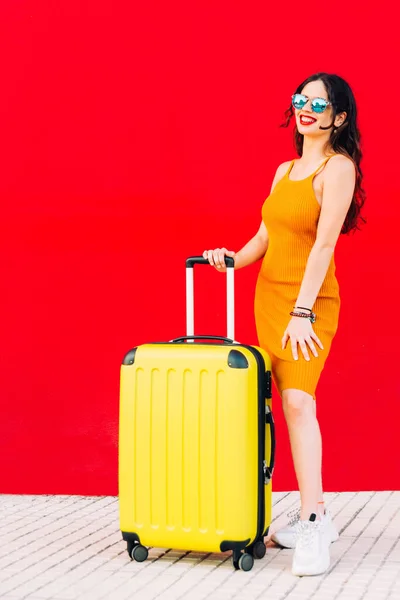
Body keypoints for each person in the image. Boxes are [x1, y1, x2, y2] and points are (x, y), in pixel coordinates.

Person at [203, 72, 365, 576]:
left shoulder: (338, 169)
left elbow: (323, 245)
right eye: (301, 100)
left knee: (298, 401)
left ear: (338, 117)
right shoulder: (284, 169)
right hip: (269, 299)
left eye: (319, 103)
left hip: (309, 304)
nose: (306, 109)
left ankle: (315, 519)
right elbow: (265, 235)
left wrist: (302, 311)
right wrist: (231, 258)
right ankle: (310, 512)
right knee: (274, 402)